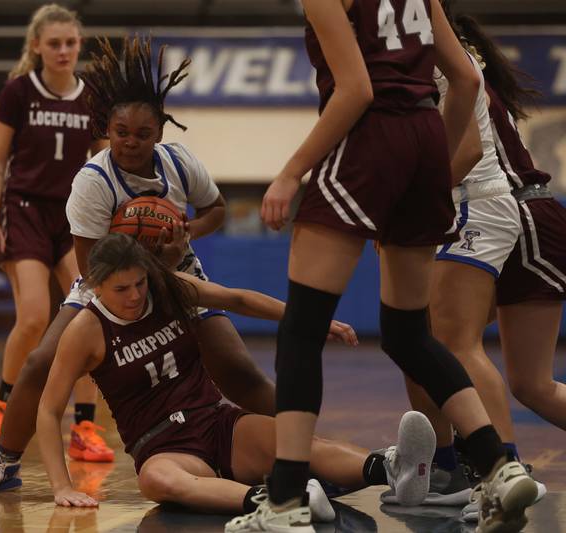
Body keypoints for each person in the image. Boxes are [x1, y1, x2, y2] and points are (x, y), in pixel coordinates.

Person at [0, 35, 338, 493]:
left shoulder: (178, 163)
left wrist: (184, 235)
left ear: (160, 132)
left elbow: (216, 209)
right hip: (108, 279)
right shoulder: (92, 182)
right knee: (38, 362)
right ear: (106, 130)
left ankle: (303, 451)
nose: (131, 143)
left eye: (143, 134)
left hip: (177, 270)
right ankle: (3, 463)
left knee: (238, 370)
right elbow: (91, 267)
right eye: (120, 133)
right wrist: (150, 269)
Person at [229, 1, 538, 532]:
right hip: (424, 138)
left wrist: (290, 173)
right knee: (408, 333)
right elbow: (464, 79)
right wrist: (428, 160)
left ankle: (283, 501)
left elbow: (357, 90)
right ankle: (496, 464)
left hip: (372, 136)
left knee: (302, 328)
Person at [36, 233, 438, 522]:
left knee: (297, 442)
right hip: (163, 446)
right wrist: (62, 486)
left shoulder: (167, 288)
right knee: (156, 479)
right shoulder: (85, 329)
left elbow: (237, 299)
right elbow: (50, 409)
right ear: (95, 286)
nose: (136, 295)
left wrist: (313, 320)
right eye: (121, 288)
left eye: (140, 282)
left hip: (217, 422)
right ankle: (279, 504)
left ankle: (392, 468)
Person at [394, 6, 559, 521]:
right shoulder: (436, 68)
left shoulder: (446, 67)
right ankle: (453, 464)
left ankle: (499, 469)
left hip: (514, 208)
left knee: (455, 342)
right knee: (422, 336)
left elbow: (463, 154)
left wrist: (407, 202)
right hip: (499, 207)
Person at [0, 3, 109, 457]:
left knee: (92, 315)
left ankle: (85, 428)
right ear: (37, 46)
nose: (64, 50)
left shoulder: (91, 96)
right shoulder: (18, 92)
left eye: (71, 42)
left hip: (73, 216)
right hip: (26, 210)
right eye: (54, 43)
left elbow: (105, 161)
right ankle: (4, 412)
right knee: (34, 317)